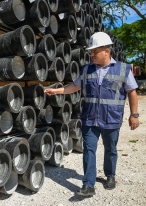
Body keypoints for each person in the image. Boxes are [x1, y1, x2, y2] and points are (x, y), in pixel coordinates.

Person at [44, 32, 139, 197]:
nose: (91, 54)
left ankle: (110, 175)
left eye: (95, 51)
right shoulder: (87, 69)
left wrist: (134, 115)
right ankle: (88, 184)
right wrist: (57, 90)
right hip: (90, 118)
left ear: (106, 51)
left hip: (111, 118)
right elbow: (74, 86)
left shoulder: (123, 69)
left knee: (110, 149)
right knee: (89, 149)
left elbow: (131, 92)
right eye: (91, 51)